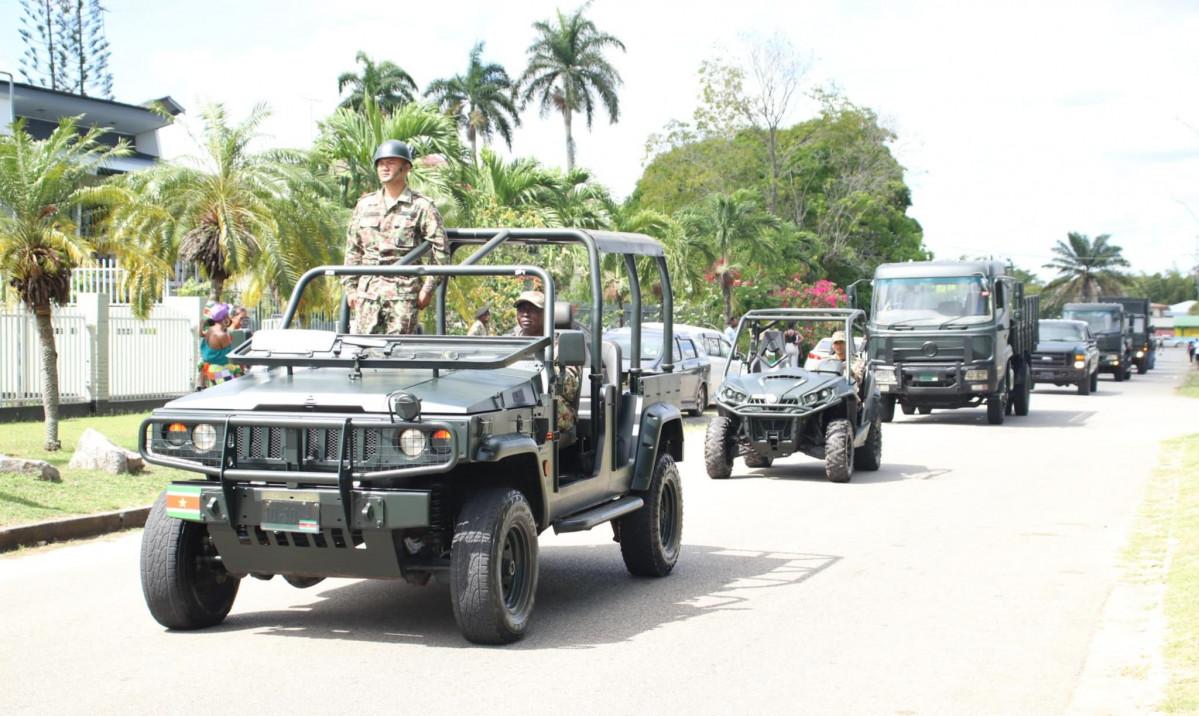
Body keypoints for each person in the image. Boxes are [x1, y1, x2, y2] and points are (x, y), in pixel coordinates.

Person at [342, 140, 449, 335]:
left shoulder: (421, 206)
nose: (384, 167)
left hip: (403, 294)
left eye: (390, 162)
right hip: (368, 294)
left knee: (400, 354)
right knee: (365, 353)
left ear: (406, 167)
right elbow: (353, 249)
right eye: (380, 163)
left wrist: (428, 289)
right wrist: (351, 288)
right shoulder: (365, 205)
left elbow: (441, 249)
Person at [509, 291, 581, 432]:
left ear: (547, 314)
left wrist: (544, 370)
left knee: (542, 401)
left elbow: (569, 388)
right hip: (511, 400)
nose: (525, 314)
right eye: (521, 309)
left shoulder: (561, 344)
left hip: (549, 402)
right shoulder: (509, 342)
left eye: (533, 309)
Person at [197, 302, 245, 389]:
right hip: (223, 372)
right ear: (225, 317)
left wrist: (202, 323)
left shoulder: (210, 331)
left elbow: (202, 335)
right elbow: (230, 355)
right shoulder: (221, 335)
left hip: (212, 372)